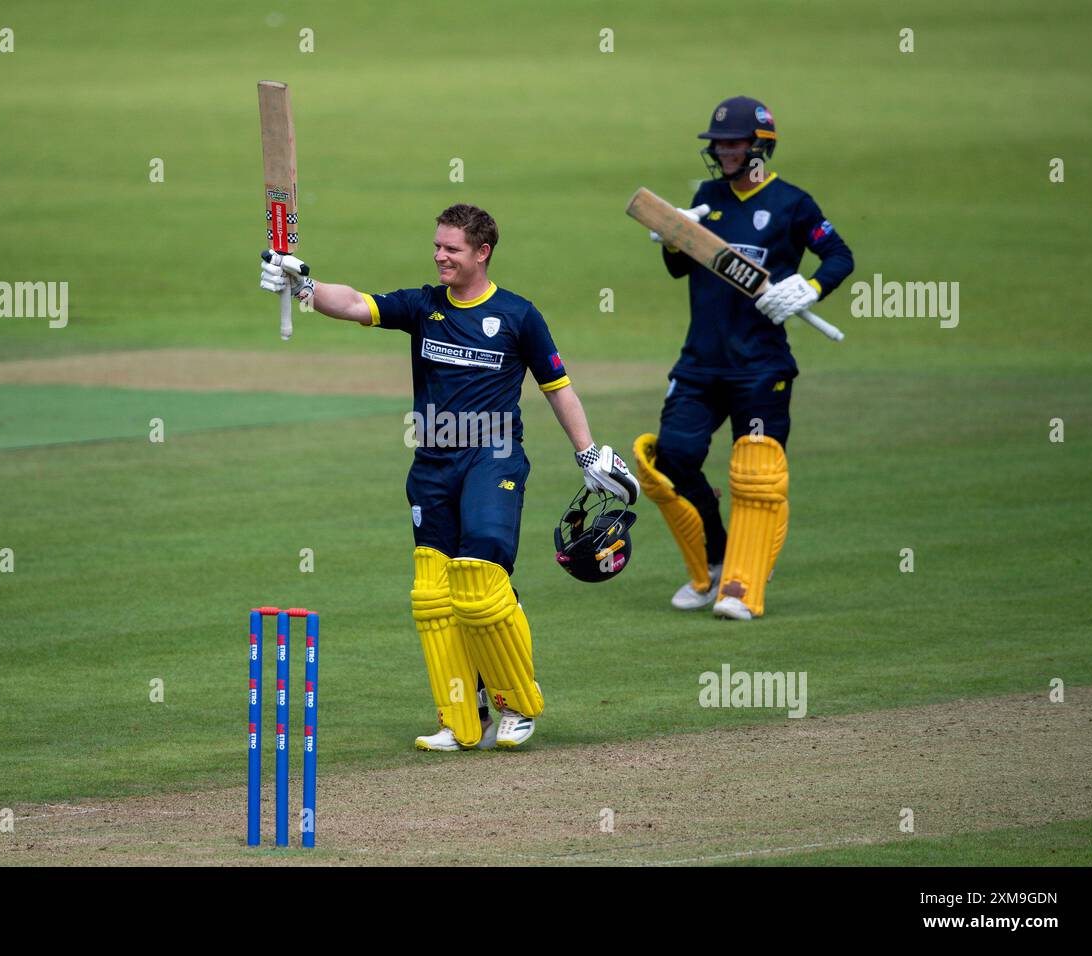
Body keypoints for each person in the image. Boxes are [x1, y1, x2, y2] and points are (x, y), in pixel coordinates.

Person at [260, 203, 638, 749]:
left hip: (494, 456)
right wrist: (304, 287)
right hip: (432, 463)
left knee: (481, 584)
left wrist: (587, 453)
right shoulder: (423, 306)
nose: (440, 255)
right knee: (434, 595)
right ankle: (461, 718)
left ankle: (517, 705)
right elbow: (356, 303)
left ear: (482, 252)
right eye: (437, 245)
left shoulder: (517, 315)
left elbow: (558, 387)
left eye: (452, 248)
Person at [632, 96, 854, 620]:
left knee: (754, 472)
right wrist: (672, 237)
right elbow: (677, 271)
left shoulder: (792, 204)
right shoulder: (707, 197)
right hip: (700, 363)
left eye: (733, 143)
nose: (723, 151)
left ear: (759, 146)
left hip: (761, 365)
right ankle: (714, 557)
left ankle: (742, 584)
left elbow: (840, 255)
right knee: (671, 460)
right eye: (718, 144)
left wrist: (810, 287)